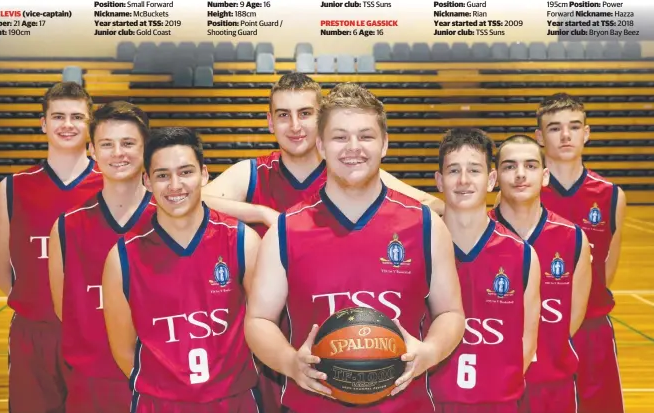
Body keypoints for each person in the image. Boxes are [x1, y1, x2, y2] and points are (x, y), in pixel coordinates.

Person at [244, 83, 465, 413]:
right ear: (320, 144)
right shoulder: (286, 229)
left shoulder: (425, 224)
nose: (353, 147)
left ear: (385, 144)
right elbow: (259, 320)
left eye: (366, 136)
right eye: (339, 137)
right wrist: (290, 362)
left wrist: (430, 351)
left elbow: (451, 313)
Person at [101, 127, 263, 412]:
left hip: (234, 400)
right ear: (147, 181)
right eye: (162, 175)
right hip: (160, 403)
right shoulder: (122, 258)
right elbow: (123, 349)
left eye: (186, 172)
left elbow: (263, 326)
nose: (175, 185)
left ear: (204, 174)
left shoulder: (243, 241)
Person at [202, 72, 445, 238]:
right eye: (284, 115)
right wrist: (262, 214)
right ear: (270, 122)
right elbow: (195, 199)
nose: (295, 126)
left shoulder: (345, 169)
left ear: (321, 119)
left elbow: (434, 205)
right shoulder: (254, 172)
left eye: (305, 113)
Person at [0, 82, 103, 413]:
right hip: (34, 336)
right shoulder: (12, 188)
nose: (67, 124)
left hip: (95, 335)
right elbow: (1, 272)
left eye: (77, 116)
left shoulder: (112, 185)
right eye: (58, 116)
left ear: (90, 125)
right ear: (44, 124)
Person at [47, 101, 155, 412]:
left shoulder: (168, 219)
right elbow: (63, 309)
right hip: (91, 385)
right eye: (107, 144)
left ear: (146, 147)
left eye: (128, 143)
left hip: (161, 383)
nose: (118, 153)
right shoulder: (67, 226)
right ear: (92, 149)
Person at [429, 128, 541, 413]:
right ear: (439, 181)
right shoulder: (421, 248)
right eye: (454, 170)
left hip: (498, 404)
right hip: (430, 402)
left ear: (491, 179)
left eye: (474, 170)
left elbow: (526, 346)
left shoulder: (522, 255)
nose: (464, 180)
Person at [535, 93, 626, 413]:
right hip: (538, 331)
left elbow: (606, 270)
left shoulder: (611, 195)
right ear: (539, 137)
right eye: (555, 127)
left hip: (593, 331)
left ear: (586, 133)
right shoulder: (523, 193)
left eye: (574, 127)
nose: (565, 135)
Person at [490, 135, 592, 413]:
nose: (520, 174)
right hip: (490, 385)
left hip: (551, 385)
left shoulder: (572, 238)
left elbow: (571, 320)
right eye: (509, 166)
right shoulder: (475, 235)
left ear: (545, 176)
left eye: (531, 166)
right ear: (495, 176)